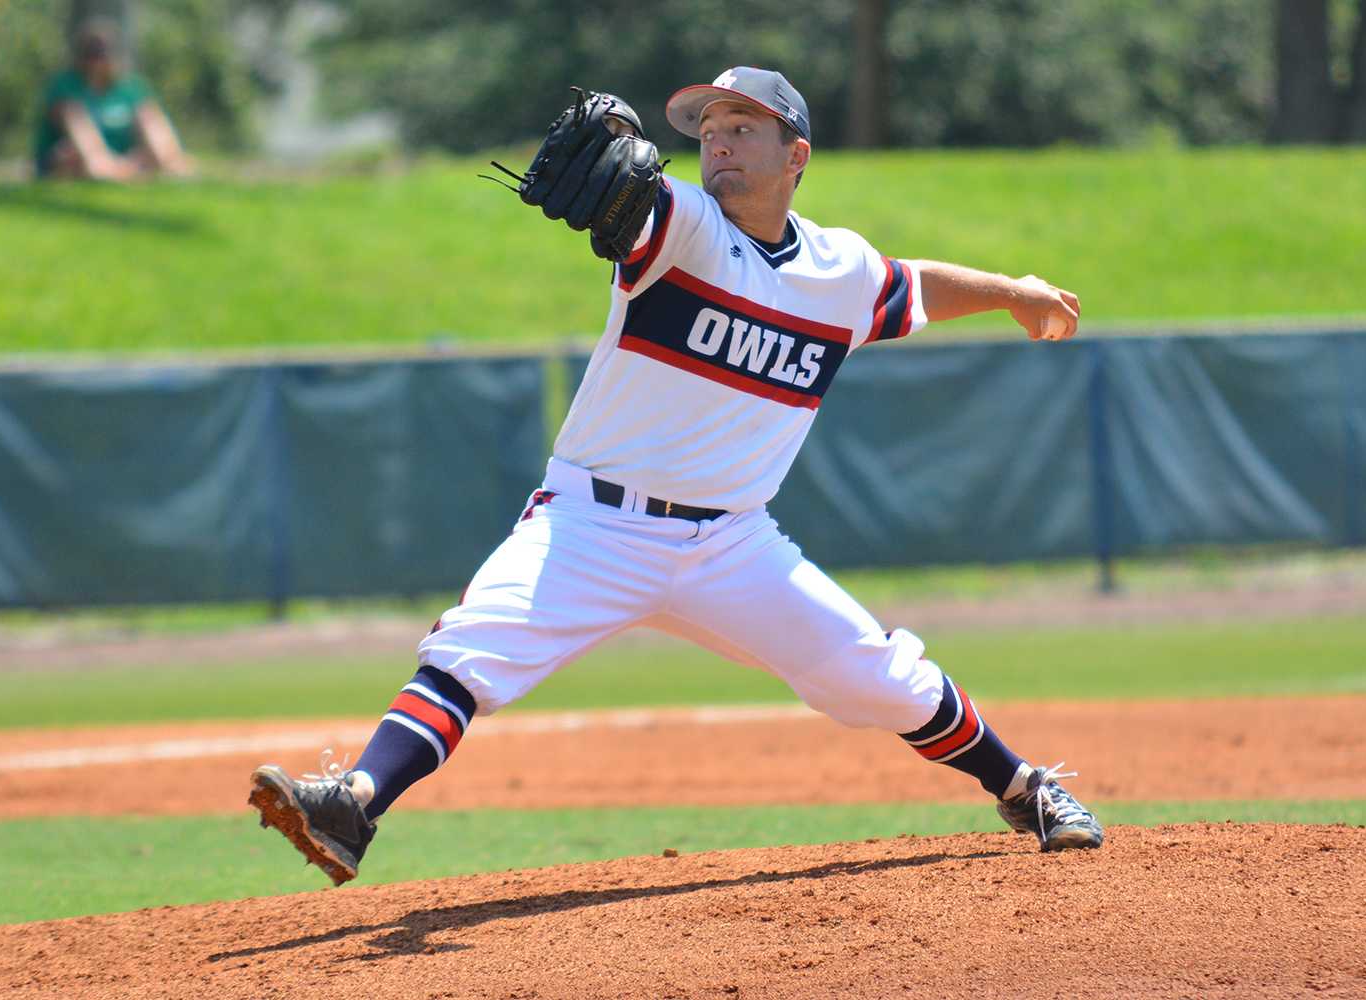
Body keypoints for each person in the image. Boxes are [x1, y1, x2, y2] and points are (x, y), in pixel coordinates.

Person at [249, 67, 1103, 887]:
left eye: (742, 128)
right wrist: (628, 203)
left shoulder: (841, 274)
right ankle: (353, 806)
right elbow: (640, 212)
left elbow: (914, 287)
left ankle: (1025, 787)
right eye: (707, 130)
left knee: (876, 674)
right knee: (473, 651)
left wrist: (1013, 290)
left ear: (795, 154)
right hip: (592, 524)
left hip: (732, 542)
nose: (718, 144)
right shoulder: (682, 227)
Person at [33, 19, 193, 181]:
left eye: (102, 52)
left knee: (149, 123)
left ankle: (166, 165)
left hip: (124, 157)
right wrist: (102, 163)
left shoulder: (131, 87)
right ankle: (118, 171)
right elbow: (79, 132)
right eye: (91, 52)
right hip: (76, 158)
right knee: (71, 153)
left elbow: (153, 124)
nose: (97, 60)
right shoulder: (65, 86)